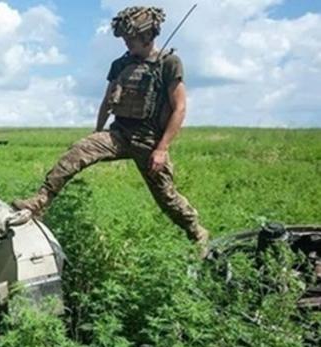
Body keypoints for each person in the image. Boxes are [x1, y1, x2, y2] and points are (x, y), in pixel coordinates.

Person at [12, 6, 209, 251]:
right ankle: (39, 201)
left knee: (167, 198)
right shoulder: (120, 65)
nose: (126, 43)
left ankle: (197, 233)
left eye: (131, 38)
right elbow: (107, 101)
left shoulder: (168, 63)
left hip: (148, 142)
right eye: (125, 39)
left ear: (147, 36)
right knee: (76, 152)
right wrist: (96, 133)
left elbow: (179, 108)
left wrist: (162, 149)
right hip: (118, 134)